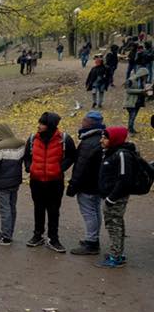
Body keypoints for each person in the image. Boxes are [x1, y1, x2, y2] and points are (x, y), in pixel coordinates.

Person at [23, 112, 76, 253]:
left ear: (50, 126)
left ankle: (53, 238)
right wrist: (29, 167)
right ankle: (37, 235)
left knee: (54, 210)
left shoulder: (64, 139)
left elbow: (71, 156)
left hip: (55, 181)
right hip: (36, 181)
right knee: (38, 208)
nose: (39, 126)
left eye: (42, 124)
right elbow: (27, 156)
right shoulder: (33, 138)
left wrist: (60, 168)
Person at [97, 126, 137, 268]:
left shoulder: (122, 154)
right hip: (110, 196)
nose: (102, 140)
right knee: (115, 225)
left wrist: (111, 198)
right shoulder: (110, 152)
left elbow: (125, 180)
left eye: (105, 138)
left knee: (114, 226)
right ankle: (117, 252)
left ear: (114, 139)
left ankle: (116, 257)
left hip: (115, 198)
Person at [66, 112, 106, 255]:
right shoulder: (100, 138)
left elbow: (81, 166)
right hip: (97, 184)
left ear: (90, 123)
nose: (82, 122)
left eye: (84, 120)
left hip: (87, 185)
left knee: (89, 213)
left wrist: (73, 186)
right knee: (95, 212)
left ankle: (91, 243)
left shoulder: (88, 142)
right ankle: (93, 239)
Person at [124, 69, 150, 134]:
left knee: (133, 116)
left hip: (138, 102)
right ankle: (130, 129)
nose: (146, 77)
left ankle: (130, 128)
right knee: (132, 116)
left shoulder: (142, 81)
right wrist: (140, 91)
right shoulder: (131, 80)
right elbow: (128, 90)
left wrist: (146, 93)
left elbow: (143, 90)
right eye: (145, 75)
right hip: (131, 102)